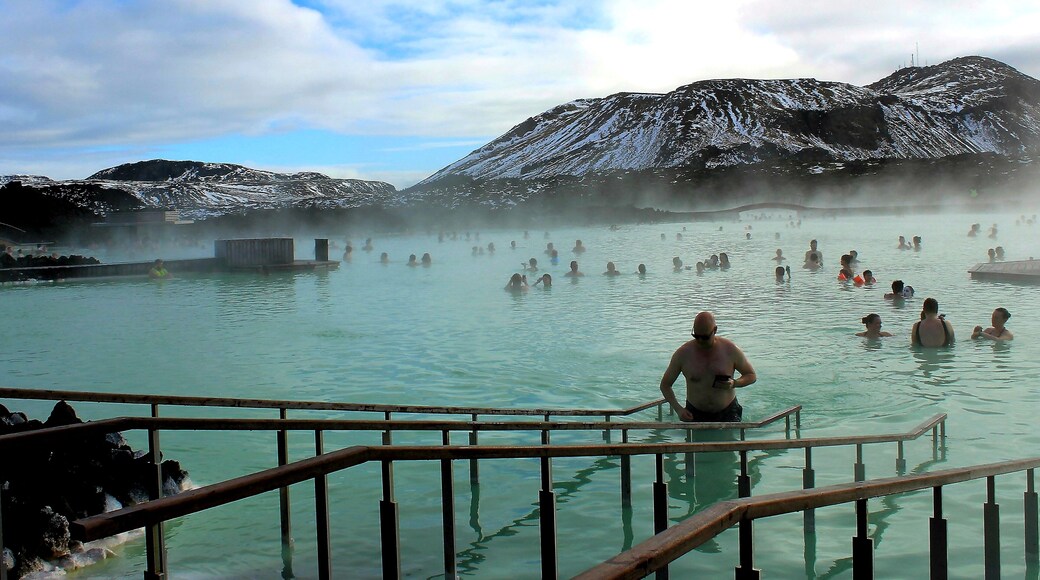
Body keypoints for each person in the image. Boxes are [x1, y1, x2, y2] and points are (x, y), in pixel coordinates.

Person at [659, 311, 758, 422]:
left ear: (715, 330)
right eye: (696, 336)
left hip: (728, 412)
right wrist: (679, 409)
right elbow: (665, 385)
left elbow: (751, 375)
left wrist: (735, 383)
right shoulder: (683, 354)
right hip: (694, 413)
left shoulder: (730, 350)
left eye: (705, 337)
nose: (700, 341)